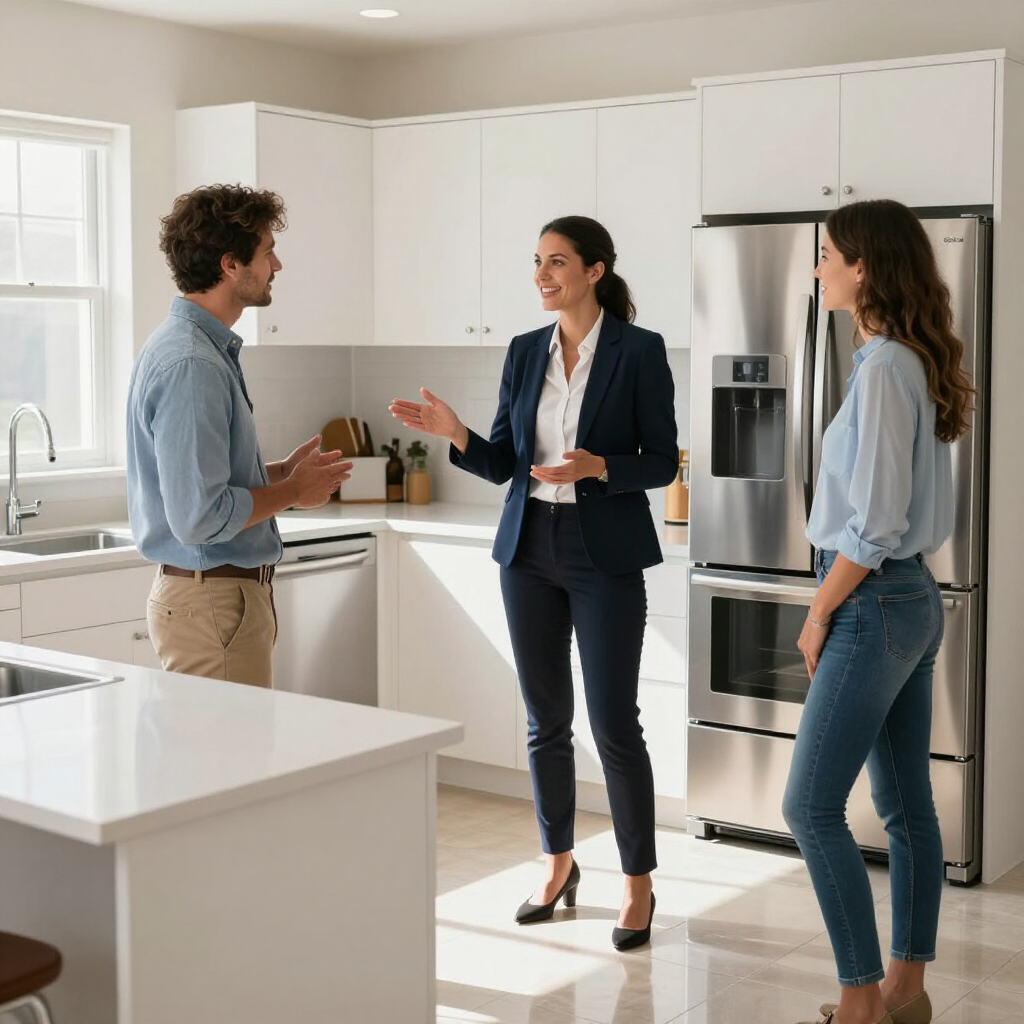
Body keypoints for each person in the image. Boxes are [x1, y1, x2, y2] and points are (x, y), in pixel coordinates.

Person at [390, 215, 677, 950]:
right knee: (544, 721)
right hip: (528, 549)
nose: (543, 275)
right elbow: (503, 462)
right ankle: (557, 866)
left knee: (613, 725)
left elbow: (661, 461)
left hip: (604, 551)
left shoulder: (639, 352)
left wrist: (598, 467)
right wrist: (456, 433)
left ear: (595, 271)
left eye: (557, 262)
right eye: (538, 263)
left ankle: (638, 884)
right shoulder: (523, 353)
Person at [783, 199, 974, 1024]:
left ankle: (860, 1001)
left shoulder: (887, 366)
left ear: (862, 267)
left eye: (827, 254)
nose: (817, 267)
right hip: (906, 597)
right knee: (904, 808)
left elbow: (876, 521)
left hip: (871, 596)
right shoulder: (898, 361)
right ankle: (907, 990)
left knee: (809, 807)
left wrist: (820, 610)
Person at [127, 184, 351, 688]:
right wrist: (293, 493)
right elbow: (199, 516)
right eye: (268, 251)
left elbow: (198, 484)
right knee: (227, 759)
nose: (278, 265)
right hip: (213, 605)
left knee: (221, 758)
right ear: (231, 265)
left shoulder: (198, 350)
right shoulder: (192, 364)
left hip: (216, 602)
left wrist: (277, 474)